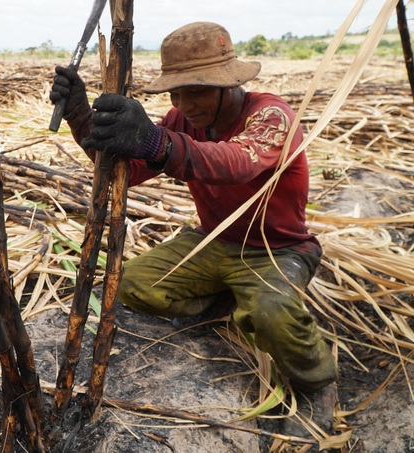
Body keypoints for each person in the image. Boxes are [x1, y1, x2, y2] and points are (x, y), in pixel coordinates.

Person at [50, 21, 338, 438]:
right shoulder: (182, 120)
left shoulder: (271, 116)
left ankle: (317, 383)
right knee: (131, 284)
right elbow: (126, 173)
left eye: (197, 91)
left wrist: (157, 142)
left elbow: (234, 162)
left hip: (278, 250)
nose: (185, 104)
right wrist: (82, 117)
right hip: (213, 239)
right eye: (176, 93)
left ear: (229, 83)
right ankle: (228, 299)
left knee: (271, 313)